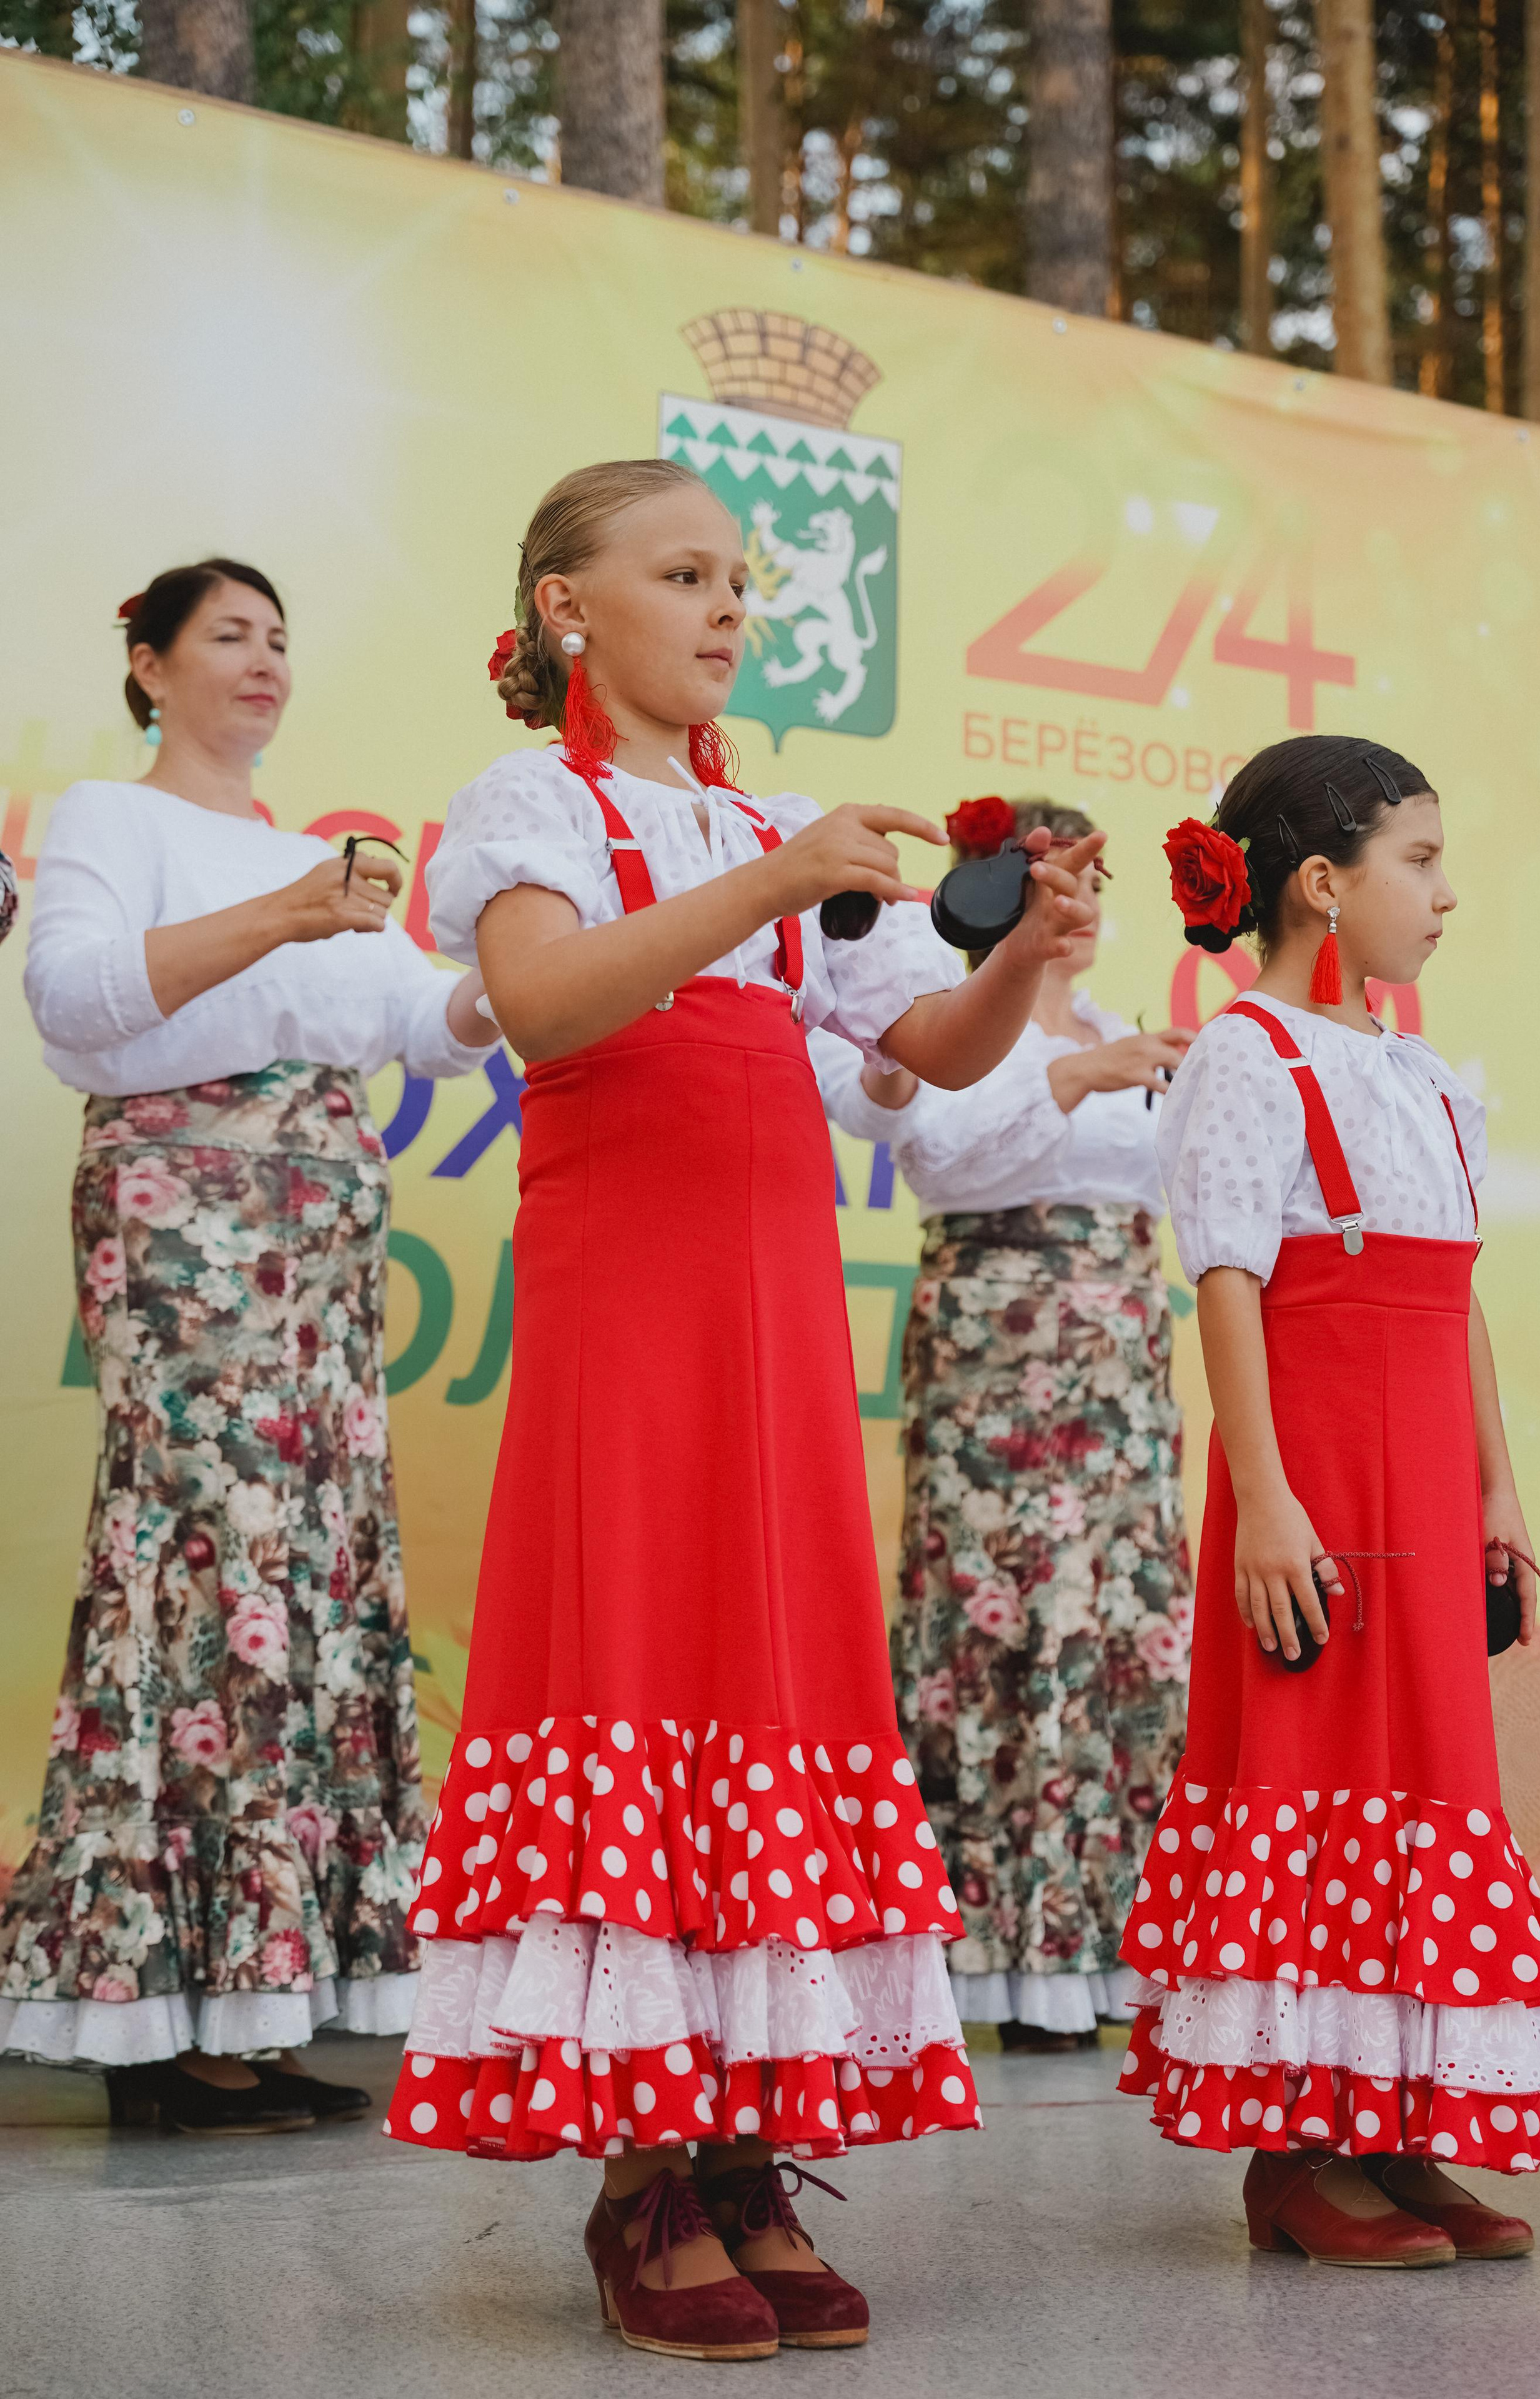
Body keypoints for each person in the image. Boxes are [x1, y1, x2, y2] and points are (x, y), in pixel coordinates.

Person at [385, 458, 1102, 2362]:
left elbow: (916, 1056)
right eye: (681, 573)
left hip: (779, 1316)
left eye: (737, 580)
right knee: (636, 1655)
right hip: (634, 1306)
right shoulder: (534, 805)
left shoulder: (774, 824)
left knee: (770, 1673)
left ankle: (741, 2138)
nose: (725, 608)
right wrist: (769, 876)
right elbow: (543, 1010)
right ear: (565, 609)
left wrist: (1020, 958)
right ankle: (640, 2171)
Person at [1, 559, 499, 2132]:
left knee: (313, 1570)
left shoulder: (317, 859)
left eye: (282, 638)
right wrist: (288, 910)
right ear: (147, 665)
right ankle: (161, 2022)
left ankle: (263, 1998)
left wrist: (541, 959)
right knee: (209, 1562)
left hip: (322, 1238)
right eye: (229, 635)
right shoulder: (109, 817)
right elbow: (75, 1005)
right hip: (186, 1210)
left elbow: (430, 1023)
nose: (266, 661)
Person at [1117, 733, 1540, 2268]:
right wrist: (1263, 1505)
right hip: (1314, 1487)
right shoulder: (1247, 1054)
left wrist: (1497, 1488)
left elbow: (1455, 1298)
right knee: (1316, 1783)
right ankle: (1296, 2157)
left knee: (1422, 1789)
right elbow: (1228, 1282)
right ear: (1321, 885)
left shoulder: (1426, 1078)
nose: (1444, 894)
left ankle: (1393, 2128)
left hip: (1423, 1496)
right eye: (1419, 861)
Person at [810, 794, 1193, 2055]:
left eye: (1087, 880)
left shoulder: (1120, 1029)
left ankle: (1110, 1949)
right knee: (995, 1626)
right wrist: (1075, 1077)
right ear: (994, 892)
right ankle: (993, 1962)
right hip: (994, 1343)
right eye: (1043, 880)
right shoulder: (942, 1017)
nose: (1069, 907)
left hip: (1125, 1362)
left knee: (1120, 1638)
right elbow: (940, 1159)